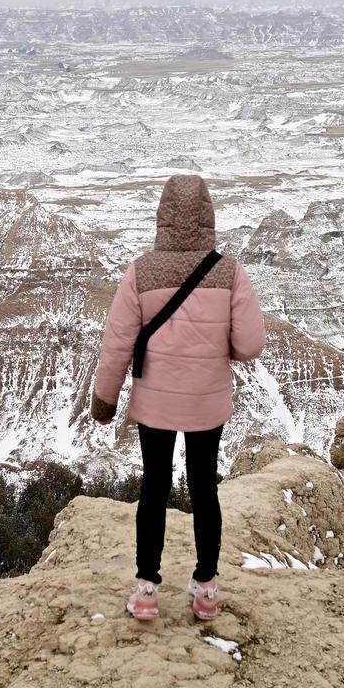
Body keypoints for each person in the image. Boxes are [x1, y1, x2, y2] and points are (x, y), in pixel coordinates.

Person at [90, 172, 266, 622]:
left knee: (154, 487)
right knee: (205, 489)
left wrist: (104, 400)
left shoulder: (141, 272)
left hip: (156, 403)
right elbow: (249, 346)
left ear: (162, 217)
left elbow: (117, 344)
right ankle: (206, 591)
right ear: (208, 217)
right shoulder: (229, 272)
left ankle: (146, 591)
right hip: (208, 401)